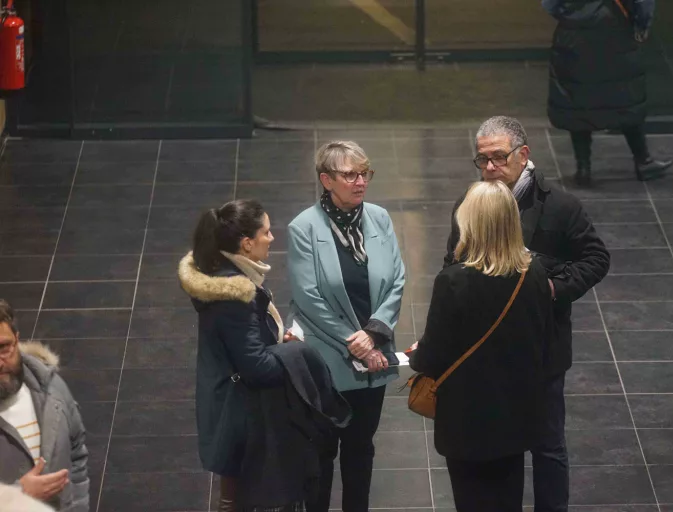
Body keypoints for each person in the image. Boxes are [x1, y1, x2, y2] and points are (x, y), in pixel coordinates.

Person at [445, 116, 610, 512]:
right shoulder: (471, 203)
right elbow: (452, 262)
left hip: (541, 351)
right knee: (501, 447)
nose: (489, 168)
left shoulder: (560, 206)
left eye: (498, 158)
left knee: (548, 446)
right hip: (490, 352)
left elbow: (596, 258)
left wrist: (552, 288)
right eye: (482, 160)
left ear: (523, 154)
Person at [411, 180, 555, 511]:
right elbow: (542, 339)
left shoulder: (453, 281)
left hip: (467, 422)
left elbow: (432, 357)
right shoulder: (534, 273)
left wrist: (417, 354)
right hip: (517, 415)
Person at [180, 199, 325, 512]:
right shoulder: (235, 296)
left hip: (228, 402)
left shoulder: (222, 276)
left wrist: (277, 340)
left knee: (234, 495)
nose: (272, 238)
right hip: (242, 412)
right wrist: (294, 352)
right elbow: (257, 367)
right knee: (241, 500)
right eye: (266, 232)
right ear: (247, 243)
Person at [287, 141, 406, 512]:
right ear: (326, 180)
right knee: (322, 451)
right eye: (350, 175)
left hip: (375, 355)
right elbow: (308, 298)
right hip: (328, 361)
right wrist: (355, 343)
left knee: (361, 449)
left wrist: (374, 334)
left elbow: (397, 280)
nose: (360, 182)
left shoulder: (380, 218)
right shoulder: (303, 228)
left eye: (364, 173)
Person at [543, 0, 673, 184]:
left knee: (578, 97)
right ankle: (643, 162)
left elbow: (550, 4)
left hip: (573, 32)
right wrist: (642, 24)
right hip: (615, 27)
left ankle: (583, 169)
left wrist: (569, 15)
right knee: (626, 94)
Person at [0, 300, 89, 512]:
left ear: (16, 340)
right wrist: (18, 496)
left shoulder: (52, 389)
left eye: (3, 347)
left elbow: (76, 453)